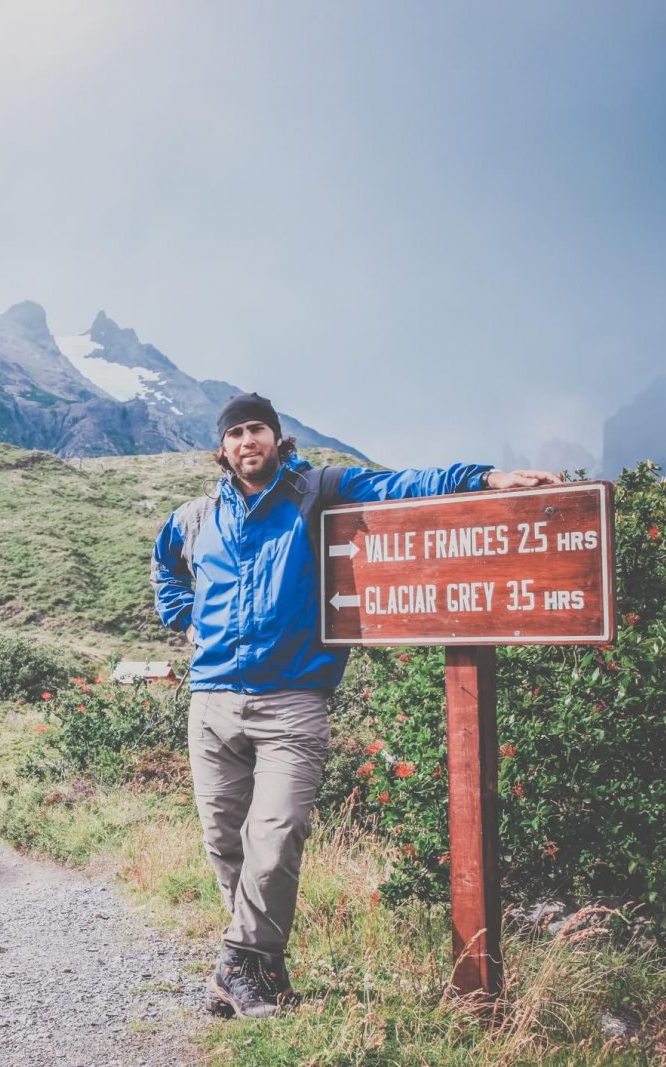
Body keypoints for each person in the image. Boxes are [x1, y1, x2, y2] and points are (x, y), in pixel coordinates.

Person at [150, 392, 560, 1018]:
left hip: (293, 701)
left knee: (278, 834)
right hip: (210, 702)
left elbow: (401, 484)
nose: (245, 442)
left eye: (256, 429)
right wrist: (186, 622)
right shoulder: (195, 517)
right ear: (223, 447)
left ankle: (237, 963)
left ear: (277, 438)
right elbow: (164, 571)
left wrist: (486, 477)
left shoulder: (318, 490)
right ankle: (261, 969)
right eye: (234, 434)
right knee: (225, 843)